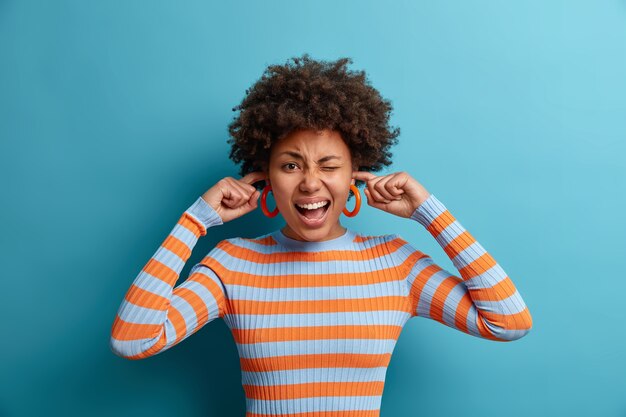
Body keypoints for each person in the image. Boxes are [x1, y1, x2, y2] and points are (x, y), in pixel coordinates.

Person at [110, 54, 532, 416]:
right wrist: (195, 221)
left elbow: (508, 321)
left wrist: (429, 213)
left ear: (354, 176)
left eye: (328, 166)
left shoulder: (396, 264)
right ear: (266, 178)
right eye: (291, 166)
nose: (310, 183)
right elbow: (133, 340)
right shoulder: (231, 263)